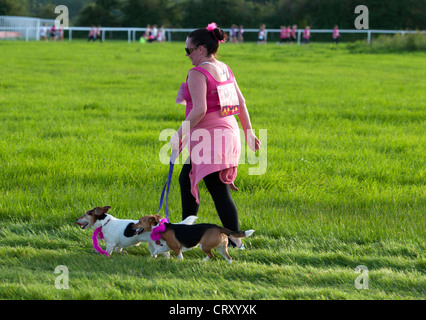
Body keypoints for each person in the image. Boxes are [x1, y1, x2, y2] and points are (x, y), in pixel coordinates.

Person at [170, 22, 261, 248]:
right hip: (228, 134)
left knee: (216, 189)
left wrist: (178, 134)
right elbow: (241, 103)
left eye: (188, 50)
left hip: (210, 139)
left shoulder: (197, 72)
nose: (187, 55)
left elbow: (199, 109)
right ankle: (189, 233)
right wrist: (249, 133)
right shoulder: (224, 68)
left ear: (201, 49)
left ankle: (232, 239)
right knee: (188, 178)